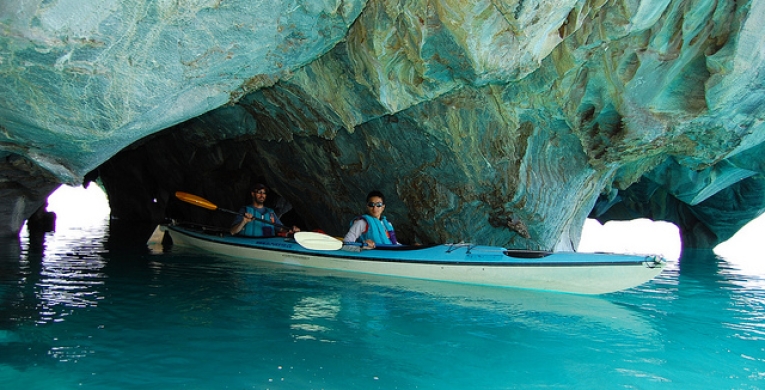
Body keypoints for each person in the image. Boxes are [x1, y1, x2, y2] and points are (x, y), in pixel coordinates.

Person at [230, 184, 300, 237]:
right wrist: (243, 221)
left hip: (267, 245)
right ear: (253, 194)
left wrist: (291, 230)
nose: (262, 195)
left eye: (264, 193)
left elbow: (281, 229)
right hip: (249, 244)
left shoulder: (270, 213)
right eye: (259, 192)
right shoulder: (245, 210)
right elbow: (233, 231)